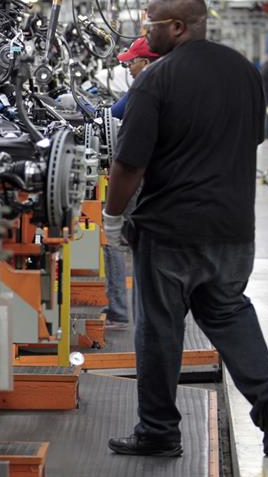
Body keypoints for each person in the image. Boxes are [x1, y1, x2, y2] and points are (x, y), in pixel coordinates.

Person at [102, 0, 268, 458]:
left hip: (170, 232)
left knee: (159, 329)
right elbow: (252, 139)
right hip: (233, 227)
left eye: (151, 25)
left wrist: (111, 217)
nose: (146, 34)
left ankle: (159, 431)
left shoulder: (156, 80)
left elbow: (129, 164)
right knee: (227, 311)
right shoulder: (245, 73)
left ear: (177, 27)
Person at [102, 37, 161, 330]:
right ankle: (146, 311)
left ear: (146, 63)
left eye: (132, 63)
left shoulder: (144, 85)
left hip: (140, 174)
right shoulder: (174, 81)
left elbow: (110, 116)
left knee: (115, 238)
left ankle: (119, 311)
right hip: (166, 180)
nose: (129, 68)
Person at [110, 37, 160, 120]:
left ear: (145, 63)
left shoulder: (144, 87)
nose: (128, 66)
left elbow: (113, 114)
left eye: (131, 61)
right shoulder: (167, 82)